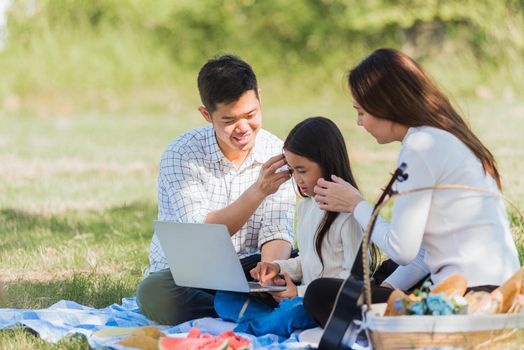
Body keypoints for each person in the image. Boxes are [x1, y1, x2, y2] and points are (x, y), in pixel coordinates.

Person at [304, 48, 521, 327]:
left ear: (385, 105)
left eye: (361, 111)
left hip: (469, 298)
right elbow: (421, 254)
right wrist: (383, 289)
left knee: (319, 293)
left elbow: (401, 249)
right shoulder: (445, 136)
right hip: (498, 288)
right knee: (375, 282)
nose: (359, 122)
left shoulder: (421, 145)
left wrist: (355, 204)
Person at [136, 55, 296, 325]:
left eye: (251, 114)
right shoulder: (182, 154)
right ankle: (242, 308)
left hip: (249, 267)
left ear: (259, 97)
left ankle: (250, 302)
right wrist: (258, 191)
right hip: (191, 274)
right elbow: (202, 235)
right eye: (229, 120)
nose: (243, 127)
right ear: (206, 115)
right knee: (152, 293)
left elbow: (277, 230)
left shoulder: (276, 152)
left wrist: (271, 273)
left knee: (302, 261)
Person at [213, 116, 364, 336]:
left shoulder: (349, 215)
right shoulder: (307, 206)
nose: (297, 179)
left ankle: (254, 327)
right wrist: (277, 268)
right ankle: (268, 322)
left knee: (294, 313)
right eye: (293, 172)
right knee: (225, 297)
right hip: (297, 297)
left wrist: (299, 293)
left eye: (302, 171)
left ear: (327, 162)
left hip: (324, 303)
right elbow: (307, 260)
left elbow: (354, 281)